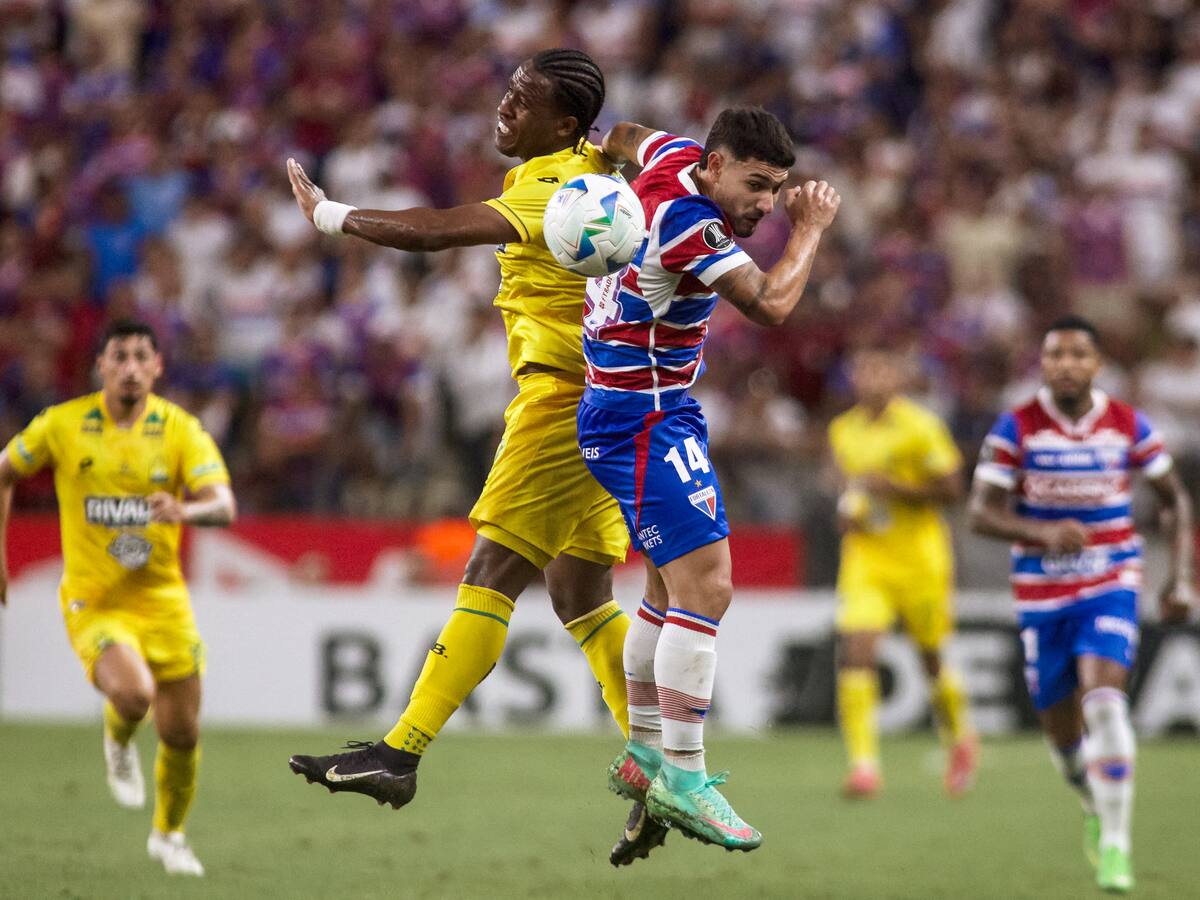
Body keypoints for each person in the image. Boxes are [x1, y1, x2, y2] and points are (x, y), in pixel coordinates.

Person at [283, 49, 667, 864]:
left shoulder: (550, 188)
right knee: (578, 589)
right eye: (506, 93)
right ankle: (659, 772)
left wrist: (331, 216)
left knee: (490, 573)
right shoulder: (592, 166)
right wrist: (642, 143)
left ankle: (400, 752)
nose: (503, 109)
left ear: (565, 124)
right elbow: (633, 144)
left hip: (561, 403)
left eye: (521, 101)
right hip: (614, 395)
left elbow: (438, 232)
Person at [577, 107, 840, 850]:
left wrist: (597, 181)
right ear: (718, 167)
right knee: (709, 588)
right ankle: (684, 778)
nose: (768, 204)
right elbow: (773, 304)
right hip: (640, 420)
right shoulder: (690, 222)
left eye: (780, 189)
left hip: (646, 409)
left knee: (665, 592)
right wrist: (811, 227)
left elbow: (624, 133)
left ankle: (645, 756)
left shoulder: (671, 156)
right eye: (758, 187)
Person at [0, 319, 237, 877]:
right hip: (94, 599)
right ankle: (118, 739)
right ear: (100, 366)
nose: (130, 367)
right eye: (119, 356)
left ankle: (169, 836)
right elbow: (5, 470)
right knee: (134, 694)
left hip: (162, 599)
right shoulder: (63, 425)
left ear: (157, 367)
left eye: (141, 357)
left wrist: (188, 509)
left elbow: (224, 504)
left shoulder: (179, 429)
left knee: (182, 732)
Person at [969, 315, 1194, 894]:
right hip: (1041, 593)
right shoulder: (1017, 427)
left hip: (1111, 577)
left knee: (1105, 701)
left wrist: (1180, 579)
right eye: (1054, 356)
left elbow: (1176, 500)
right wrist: (1038, 533)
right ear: (1042, 365)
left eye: (1077, 355)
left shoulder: (1127, 423)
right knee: (1064, 738)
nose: (1065, 365)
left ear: (1097, 364)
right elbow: (980, 512)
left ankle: (1118, 847)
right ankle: (1093, 804)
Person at [828, 345, 978, 799]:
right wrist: (848, 513)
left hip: (920, 559)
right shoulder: (843, 429)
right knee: (857, 650)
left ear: (896, 379)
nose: (869, 378)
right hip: (867, 558)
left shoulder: (921, 426)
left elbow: (953, 489)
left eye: (879, 369)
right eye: (862, 370)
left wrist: (895, 488)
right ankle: (864, 766)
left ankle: (960, 740)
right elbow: (850, 489)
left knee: (930, 657)